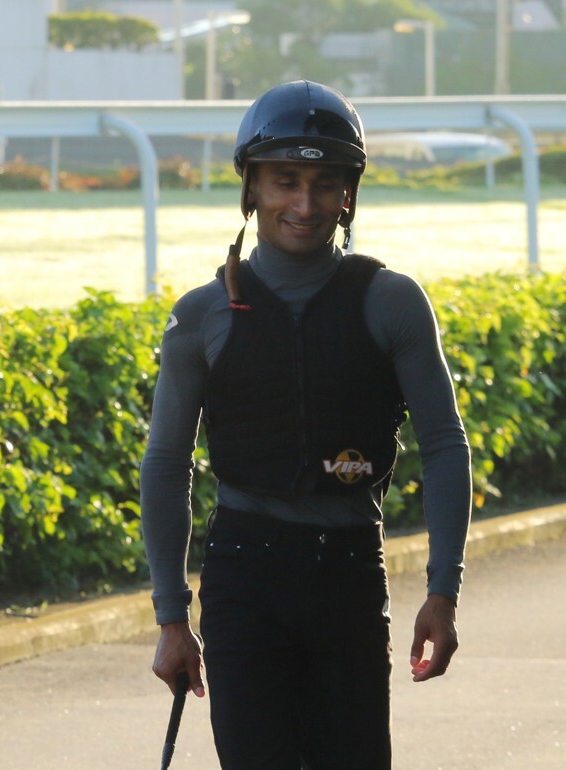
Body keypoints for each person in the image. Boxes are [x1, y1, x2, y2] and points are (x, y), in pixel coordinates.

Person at [140, 80, 471, 769]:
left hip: (349, 577)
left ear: (349, 193)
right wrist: (172, 618)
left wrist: (443, 591)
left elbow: (443, 445)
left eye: (326, 183)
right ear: (251, 186)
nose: (304, 203)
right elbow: (168, 466)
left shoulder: (392, 303)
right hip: (244, 578)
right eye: (284, 180)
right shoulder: (200, 317)